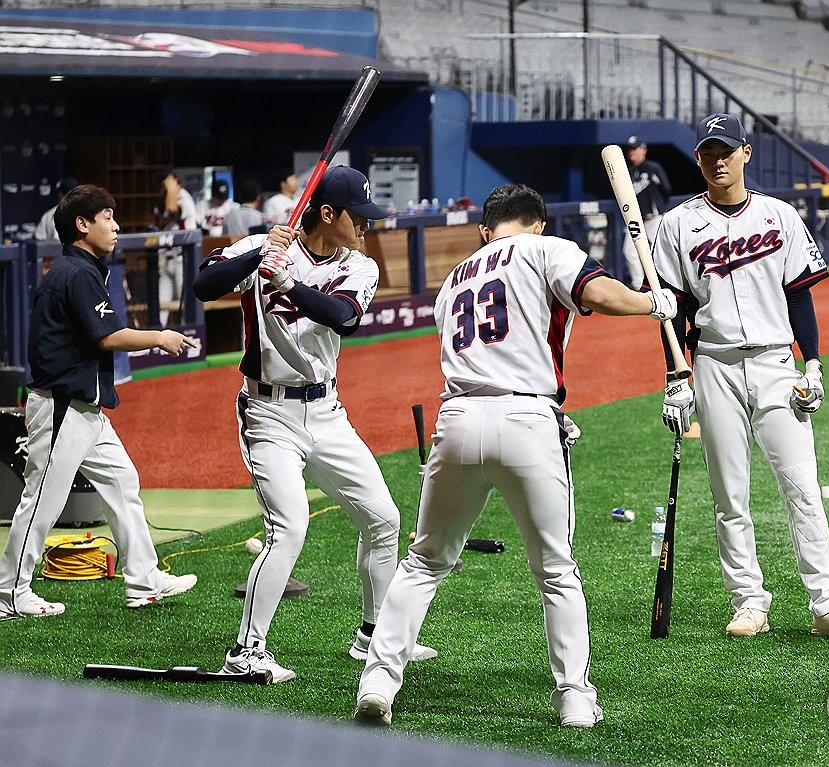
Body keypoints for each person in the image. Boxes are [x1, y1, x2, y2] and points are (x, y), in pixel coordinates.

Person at [353, 183, 677, 728]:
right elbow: (596, 294)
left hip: (456, 421)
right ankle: (574, 695)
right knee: (555, 570)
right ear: (540, 223)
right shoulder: (546, 249)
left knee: (424, 561)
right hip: (527, 420)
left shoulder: (454, 278)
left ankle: (379, 681)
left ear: (485, 230)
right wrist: (652, 302)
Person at [192, 166, 434, 683]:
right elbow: (203, 284)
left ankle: (374, 636)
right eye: (358, 216)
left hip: (327, 413)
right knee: (290, 527)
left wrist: (285, 279)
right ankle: (246, 651)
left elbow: (342, 316)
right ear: (327, 214)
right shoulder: (265, 244)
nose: (367, 226)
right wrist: (261, 254)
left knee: (384, 519)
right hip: (267, 413)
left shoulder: (359, 267)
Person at [650, 113, 829, 641]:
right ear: (699, 159)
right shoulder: (677, 225)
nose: (717, 160)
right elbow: (674, 311)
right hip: (713, 364)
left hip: (777, 364)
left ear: (746, 153)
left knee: (801, 486)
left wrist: (813, 362)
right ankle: (749, 601)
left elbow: (800, 292)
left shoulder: (780, 216)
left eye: (726, 150)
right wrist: (674, 376)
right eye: (707, 152)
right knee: (731, 494)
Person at [0, 184, 200, 619]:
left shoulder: (82, 269)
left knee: (122, 482)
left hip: (81, 409)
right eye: (107, 217)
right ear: (82, 224)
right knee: (42, 500)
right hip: (62, 406)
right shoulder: (75, 272)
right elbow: (108, 336)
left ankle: (144, 580)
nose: (115, 225)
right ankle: (9, 591)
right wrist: (160, 337)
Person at [622, 136, 672, 288]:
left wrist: (659, 207)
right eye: (630, 149)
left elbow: (666, 189)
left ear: (644, 150)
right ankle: (638, 286)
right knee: (629, 251)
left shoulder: (652, 168)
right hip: (636, 220)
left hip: (654, 218)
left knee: (660, 252)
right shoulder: (628, 171)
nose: (632, 153)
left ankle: (666, 283)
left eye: (635, 149)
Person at [152, 169, 198, 326]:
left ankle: (190, 341)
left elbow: (173, 210)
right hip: (165, 258)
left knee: (185, 304)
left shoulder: (183, 197)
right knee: (161, 305)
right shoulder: (162, 201)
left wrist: (172, 187)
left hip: (183, 258)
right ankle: (157, 342)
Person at [33, 176, 78, 241]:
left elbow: (40, 244)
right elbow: (39, 241)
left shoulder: (84, 214)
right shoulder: (48, 216)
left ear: (60, 194)